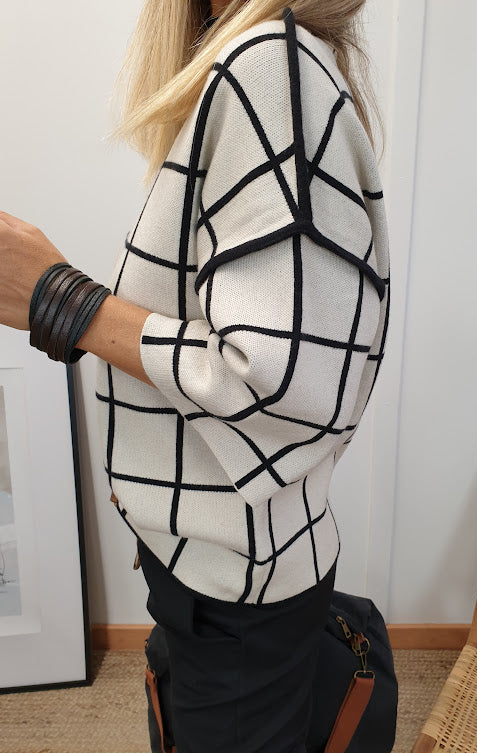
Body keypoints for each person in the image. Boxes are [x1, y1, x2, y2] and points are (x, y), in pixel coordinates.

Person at [0, 0, 390, 750]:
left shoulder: (270, 66)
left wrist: (63, 301)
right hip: (233, 569)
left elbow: (281, 382)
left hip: (234, 591)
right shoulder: (282, 62)